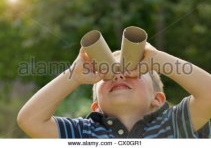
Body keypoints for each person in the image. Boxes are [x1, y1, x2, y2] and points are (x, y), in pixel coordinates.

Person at [17, 43, 211, 138]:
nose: (118, 76)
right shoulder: (84, 133)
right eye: (107, 76)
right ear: (96, 107)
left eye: (132, 73)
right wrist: (74, 76)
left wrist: (157, 59)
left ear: (158, 99)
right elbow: (29, 120)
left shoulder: (173, 124)